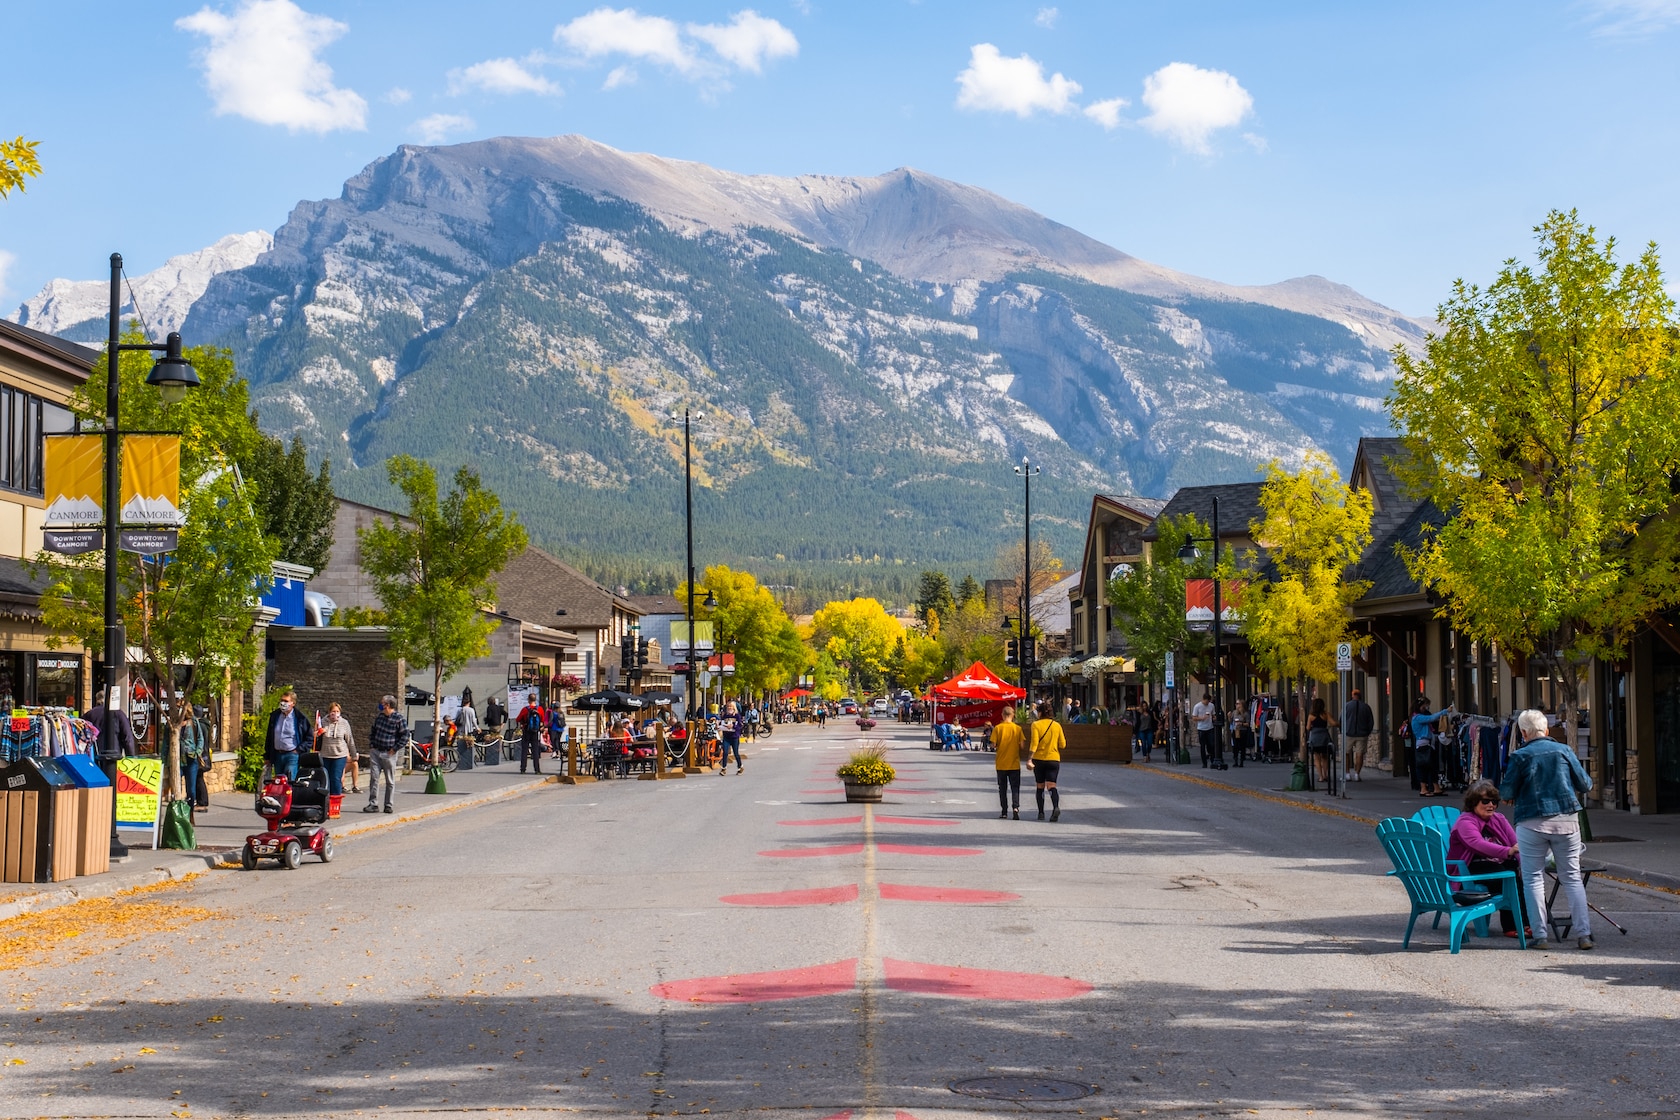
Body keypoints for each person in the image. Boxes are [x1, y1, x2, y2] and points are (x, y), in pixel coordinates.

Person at [1501, 708, 1595, 951]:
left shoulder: (1520, 756)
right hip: (1566, 819)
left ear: (1523, 732)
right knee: (1572, 877)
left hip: (1531, 821)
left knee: (1532, 879)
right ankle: (1583, 934)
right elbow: (1585, 784)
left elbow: (1507, 792)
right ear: (1546, 729)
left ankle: (1540, 936)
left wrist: (1512, 796)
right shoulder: (1564, 751)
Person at [1448, 779, 1529, 938]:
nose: (1490, 805)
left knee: (1525, 876)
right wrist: (1508, 851)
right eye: (1485, 801)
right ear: (1473, 802)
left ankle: (1528, 922)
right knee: (1508, 878)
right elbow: (1477, 844)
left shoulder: (1498, 819)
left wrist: (1522, 865)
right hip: (1470, 866)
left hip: (1497, 863)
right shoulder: (1465, 821)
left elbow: (1515, 843)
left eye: (1494, 801)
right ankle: (1515, 925)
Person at [365, 694, 407, 814]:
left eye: (382, 703)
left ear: (387, 705)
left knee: (390, 780)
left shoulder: (399, 719)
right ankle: (373, 804)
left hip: (389, 753)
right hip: (376, 751)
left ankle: (388, 804)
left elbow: (405, 735)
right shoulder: (380, 717)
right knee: (374, 778)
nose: (380, 705)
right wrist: (372, 745)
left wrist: (395, 749)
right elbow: (373, 731)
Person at [1028, 700, 1066, 821]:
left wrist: (1029, 758)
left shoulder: (1036, 725)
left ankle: (1041, 813)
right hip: (1053, 759)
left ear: (1040, 713)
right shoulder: (1057, 725)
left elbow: (1034, 743)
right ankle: (1055, 806)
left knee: (1040, 786)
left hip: (1039, 759)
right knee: (1051, 786)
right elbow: (1063, 744)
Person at [1410, 698, 1452, 798]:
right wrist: (1445, 711)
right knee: (1424, 767)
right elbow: (1431, 718)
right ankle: (1423, 788)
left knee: (1432, 767)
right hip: (1423, 745)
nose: (1426, 708)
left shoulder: (1419, 717)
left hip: (1428, 744)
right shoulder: (1417, 718)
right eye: (1424, 706)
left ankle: (1436, 787)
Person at [266, 689, 311, 783]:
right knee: (278, 781)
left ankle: (291, 797)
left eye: (286, 701)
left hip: (292, 755)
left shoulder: (300, 718)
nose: (283, 703)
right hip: (278, 754)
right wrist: (267, 756)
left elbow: (309, 738)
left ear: (293, 703)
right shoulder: (275, 716)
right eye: (282, 700)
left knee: (289, 780)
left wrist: (298, 750)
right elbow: (269, 737)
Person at [992, 707, 1025, 819]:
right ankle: (1015, 807)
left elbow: (993, 744)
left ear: (1002, 715)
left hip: (1001, 763)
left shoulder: (998, 728)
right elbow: (1022, 745)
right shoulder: (1018, 729)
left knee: (1002, 788)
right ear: (1013, 715)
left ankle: (1004, 811)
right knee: (1015, 787)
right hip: (1014, 763)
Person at [316, 702, 354, 796]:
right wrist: (319, 732)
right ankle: (326, 800)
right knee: (326, 778)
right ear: (329, 712)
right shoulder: (323, 722)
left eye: (337, 711)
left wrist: (353, 754)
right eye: (333, 711)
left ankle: (336, 800)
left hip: (340, 754)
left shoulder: (344, 723)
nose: (335, 713)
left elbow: (349, 739)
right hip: (325, 754)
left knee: (336, 778)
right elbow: (315, 736)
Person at [1341, 687, 1375, 782]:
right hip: (1362, 734)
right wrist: (1367, 732)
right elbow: (1370, 721)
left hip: (1348, 733)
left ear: (1352, 696)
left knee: (1346, 753)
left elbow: (1341, 719)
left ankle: (1347, 773)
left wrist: (1343, 730)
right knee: (1359, 754)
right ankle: (1357, 774)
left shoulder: (1346, 706)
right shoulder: (1366, 707)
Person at [177, 711, 208, 811]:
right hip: (177, 758)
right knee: (176, 786)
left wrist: (197, 752)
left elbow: (200, 738)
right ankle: (179, 809)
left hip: (191, 758)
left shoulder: (193, 722)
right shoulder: (173, 722)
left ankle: (190, 810)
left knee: (191, 788)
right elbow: (166, 742)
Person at [515, 692, 546, 774]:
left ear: (528, 700)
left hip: (526, 731)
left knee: (524, 750)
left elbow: (517, 719)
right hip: (535, 732)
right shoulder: (540, 709)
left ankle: (523, 769)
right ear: (535, 699)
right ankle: (537, 769)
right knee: (535, 751)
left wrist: (522, 723)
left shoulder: (525, 709)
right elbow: (543, 720)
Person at [1306, 697, 1336, 784]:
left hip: (1314, 738)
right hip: (1324, 737)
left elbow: (1308, 728)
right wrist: (1338, 724)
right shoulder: (1326, 714)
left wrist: (1312, 727)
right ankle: (1325, 774)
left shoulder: (1311, 716)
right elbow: (1332, 723)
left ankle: (1320, 776)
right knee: (1325, 757)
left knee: (1317, 757)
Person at [1192, 689, 1216, 768]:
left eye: (1209, 701)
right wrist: (1202, 718)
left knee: (1211, 745)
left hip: (1210, 727)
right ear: (1204, 699)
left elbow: (1213, 714)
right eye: (1207, 701)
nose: (1207, 703)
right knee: (1202, 746)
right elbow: (1194, 718)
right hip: (1201, 728)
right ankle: (1204, 763)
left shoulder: (1211, 706)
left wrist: (1214, 718)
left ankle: (1213, 760)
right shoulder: (1197, 706)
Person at [718, 701, 743, 774]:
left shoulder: (737, 716)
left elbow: (740, 726)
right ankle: (724, 768)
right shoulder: (725, 715)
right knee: (725, 752)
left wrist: (733, 726)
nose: (729, 708)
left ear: (734, 708)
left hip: (734, 737)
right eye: (728, 706)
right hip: (726, 737)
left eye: (731, 706)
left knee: (736, 753)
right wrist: (718, 726)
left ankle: (740, 766)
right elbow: (721, 723)